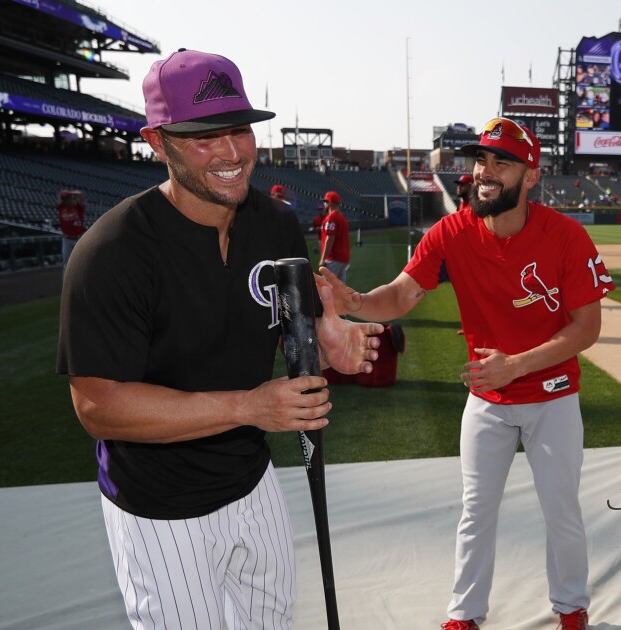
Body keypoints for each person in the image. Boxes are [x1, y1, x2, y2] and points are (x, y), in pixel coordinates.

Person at [55, 48, 382, 630]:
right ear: (158, 142)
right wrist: (249, 406)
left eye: (239, 130)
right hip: (158, 506)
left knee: (273, 622)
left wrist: (327, 333)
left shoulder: (276, 222)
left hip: (252, 481)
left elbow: (293, 310)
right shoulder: (112, 253)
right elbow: (98, 406)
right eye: (204, 137)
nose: (232, 153)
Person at [316, 117, 614, 630]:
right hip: (488, 399)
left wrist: (514, 366)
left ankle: (571, 608)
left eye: (502, 162)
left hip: (552, 395)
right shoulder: (452, 230)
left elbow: (586, 328)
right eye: (482, 160)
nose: (486, 171)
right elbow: (404, 293)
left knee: (561, 511)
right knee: (476, 513)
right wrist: (358, 300)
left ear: (532, 176)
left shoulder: (565, 235)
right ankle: (465, 615)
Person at [317, 190, 350, 282]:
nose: (324, 203)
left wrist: (323, 259)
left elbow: (330, 239)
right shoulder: (342, 217)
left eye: (325, 201)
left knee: (328, 288)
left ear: (330, 202)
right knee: (340, 290)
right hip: (343, 258)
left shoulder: (331, 217)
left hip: (333, 258)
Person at [57, 189, 86, 267]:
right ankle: (66, 279)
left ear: (71, 198)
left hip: (78, 238)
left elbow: (80, 194)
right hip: (67, 239)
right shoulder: (61, 207)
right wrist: (65, 194)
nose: (65, 201)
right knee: (66, 262)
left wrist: (70, 193)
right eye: (64, 199)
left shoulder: (78, 207)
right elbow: (59, 194)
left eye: (67, 199)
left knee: (82, 261)